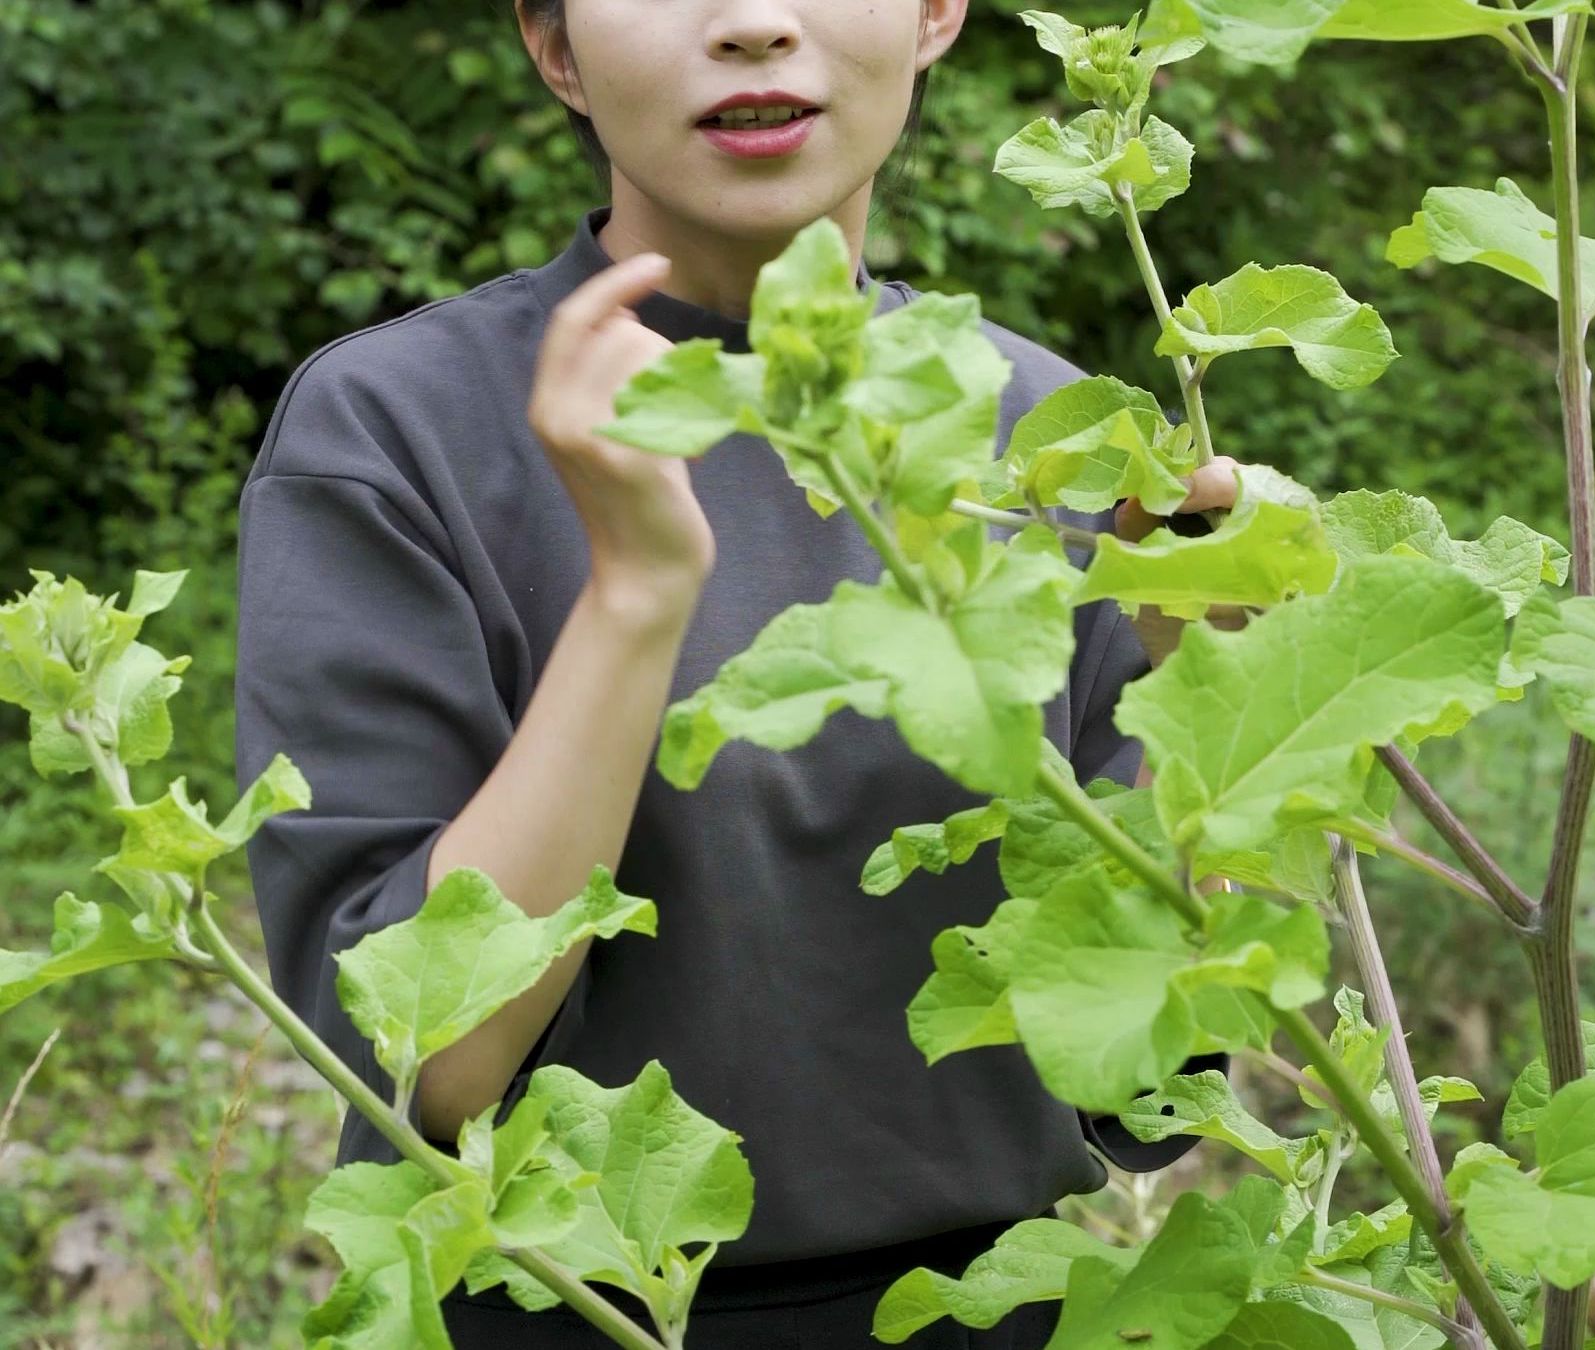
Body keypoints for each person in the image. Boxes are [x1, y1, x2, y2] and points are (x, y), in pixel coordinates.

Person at [231, 0, 1243, 1345]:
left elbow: (1150, 1082)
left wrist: (1222, 696)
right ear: (553, 43)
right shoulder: (396, 431)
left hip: (1000, 1309)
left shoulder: (1051, 436)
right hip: (561, 1310)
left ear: (938, 15)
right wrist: (637, 593)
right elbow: (425, 1063)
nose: (757, 24)